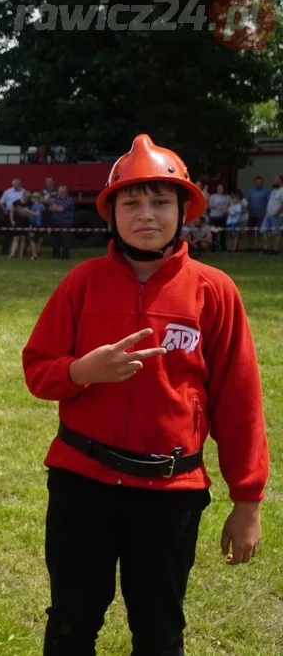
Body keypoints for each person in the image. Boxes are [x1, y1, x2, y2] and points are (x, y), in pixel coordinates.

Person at [22, 135, 268, 655]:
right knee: (70, 622)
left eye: (160, 201)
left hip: (169, 493)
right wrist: (81, 370)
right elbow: (39, 371)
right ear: (111, 213)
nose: (146, 214)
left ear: (184, 209)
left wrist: (248, 500)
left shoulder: (214, 291)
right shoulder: (81, 283)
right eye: (131, 202)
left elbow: (239, 401)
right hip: (81, 484)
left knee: (159, 631)